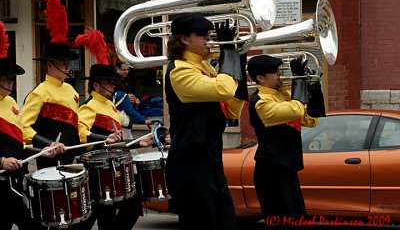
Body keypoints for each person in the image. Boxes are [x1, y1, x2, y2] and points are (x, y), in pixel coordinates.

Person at [164, 14, 248, 230]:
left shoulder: (208, 69)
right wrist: (228, 53)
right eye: (203, 35)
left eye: (210, 35)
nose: (209, 39)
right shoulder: (179, 70)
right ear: (184, 39)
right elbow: (223, 89)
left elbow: (232, 110)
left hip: (210, 158)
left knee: (227, 223)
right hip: (189, 162)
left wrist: (237, 61)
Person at [76, 29, 153, 230]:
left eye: (112, 83)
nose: (112, 87)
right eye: (108, 83)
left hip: (115, 167)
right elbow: (81, 134)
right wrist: (103, 139)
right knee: (101, 216)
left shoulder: (111, 106)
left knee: (130, 209)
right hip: (98, 171)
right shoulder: (88, 107)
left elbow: (116, 139)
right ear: (96, 86)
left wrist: (138, 142)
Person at [247, 55, 324, 226]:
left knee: (298, 218)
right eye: (275, 72)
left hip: (287, 166)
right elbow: (296, 110)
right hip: (271, 169)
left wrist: (313, 88)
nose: (280, 74)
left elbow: (311, 120)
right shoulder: (260, 101)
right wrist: (298, 81)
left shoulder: (282, 94)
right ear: (261, 78)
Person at [0, 22, 58, 230]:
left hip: (15, 179)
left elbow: (19, 142)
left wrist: (41, 150)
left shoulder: (12, 103)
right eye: (6, 79)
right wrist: (2, 161)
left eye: (12, 79)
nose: (11, 83)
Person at [21, 0, 80, 170]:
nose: (67, 67)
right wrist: (47, 143)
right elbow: (23, 127)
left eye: (68, 63)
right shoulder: (39, 92)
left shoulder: (72, 90)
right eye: (63, 63)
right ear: (49, 65)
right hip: (49, 160)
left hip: (73, 157)